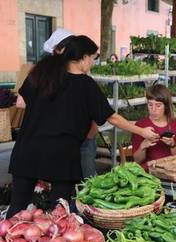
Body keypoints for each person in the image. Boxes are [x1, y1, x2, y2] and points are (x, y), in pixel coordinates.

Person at [7, 35, 159, 218]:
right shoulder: (86, 85)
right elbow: (113, 118)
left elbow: (21, 102)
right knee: (59, 215)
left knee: (16, 210)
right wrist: (142, 131)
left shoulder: (42, 73)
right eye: (93, 59)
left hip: (27, 150)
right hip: (61, 156)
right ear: (84, 57)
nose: (92, 64)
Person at [44, 29, 98, 179]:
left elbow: (92, 105)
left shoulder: (82, 73)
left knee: (86, 179)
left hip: (84, 138)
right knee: (64, 180)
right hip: (62, 139)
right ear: (57, 50)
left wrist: (91, 132)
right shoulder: (50, 75)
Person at [132, 84, 176, 171]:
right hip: (148, 172)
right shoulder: (140, 126)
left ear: (166, 106)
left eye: (158, 105)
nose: (153, 109)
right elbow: (137, 160)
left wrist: (173, 145)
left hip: (171, 170)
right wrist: (143, 146)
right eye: (150, 105)